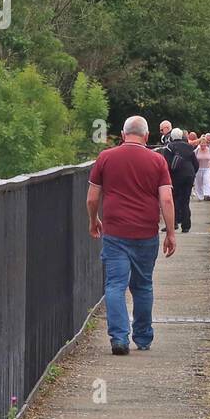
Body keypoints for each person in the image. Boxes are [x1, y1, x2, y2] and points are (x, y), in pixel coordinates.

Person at [87, 116, 176, 355]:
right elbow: (166, 199)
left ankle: (119, 339)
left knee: (115, 285)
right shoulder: (157, 160)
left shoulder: (106, 157)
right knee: (143, 285)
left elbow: (93, 197)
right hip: (146, 232)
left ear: (123, 134)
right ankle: (143, 337)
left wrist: (93, 219)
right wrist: (170, 232)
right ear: (147, 136)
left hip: (115, 231)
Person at [166, 127, 197, 232]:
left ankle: (173, 223)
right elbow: (196, 163)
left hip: (176, 176)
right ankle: (186, 226)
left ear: (171, 137)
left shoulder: (170, 147)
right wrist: (193, 174)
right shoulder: (189, 147)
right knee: (186, 200)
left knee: (174, 200)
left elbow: (167, 164)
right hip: (189, 175)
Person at [194, 131, 210, 201]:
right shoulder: (196, 150)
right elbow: (193, 159)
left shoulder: (209, 150)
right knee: (198, 183)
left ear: (206, 144)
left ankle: (207, 194)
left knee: (207, 181)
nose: (203, 146)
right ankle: (200, 196)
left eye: (204, 144)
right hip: (198, 169)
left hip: (207, 168)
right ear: (200, 144)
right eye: (202, 144)